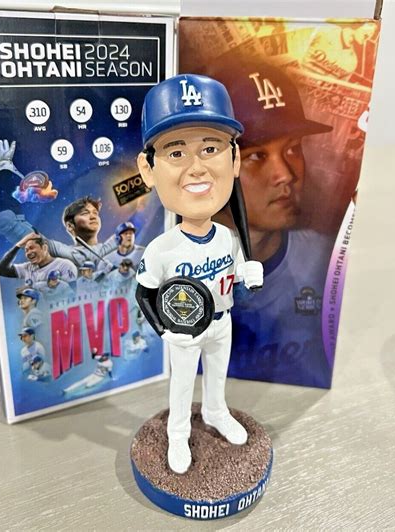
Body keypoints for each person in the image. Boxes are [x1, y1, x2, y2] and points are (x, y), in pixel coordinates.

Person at [135, 74, 263, 474]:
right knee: (181, 382)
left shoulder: (229, 238)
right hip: (184, 331)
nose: (196, 167)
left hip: (222, 322)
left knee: (218, 374)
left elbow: (238, 287)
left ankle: (215, 411)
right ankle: (177, 432)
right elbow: (144, 294)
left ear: (234, 159)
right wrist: (164, 330)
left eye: (210, 148)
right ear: (148, 168)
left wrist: (250, 276)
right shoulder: (161, 249)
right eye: (176, 152)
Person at [213, 61, 335, 387]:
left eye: (293, 149)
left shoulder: (327, 262)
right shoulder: (170, 269)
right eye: (256, 155)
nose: (286, 175)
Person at [45, 196, 117, 269]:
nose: (93, 217)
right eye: (85, 213)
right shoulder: (65, 253)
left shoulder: (113, 245)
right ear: (70, 226)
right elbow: (40, 241)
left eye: (95, 213)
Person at [0, 233, 77, 288]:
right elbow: (1, 270)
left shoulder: (65, 265)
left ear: (44, 248)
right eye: (26, 250)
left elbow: (73, 295)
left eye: (32, 248)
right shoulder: (27, 267)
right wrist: (18, 245)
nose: (29, 253)